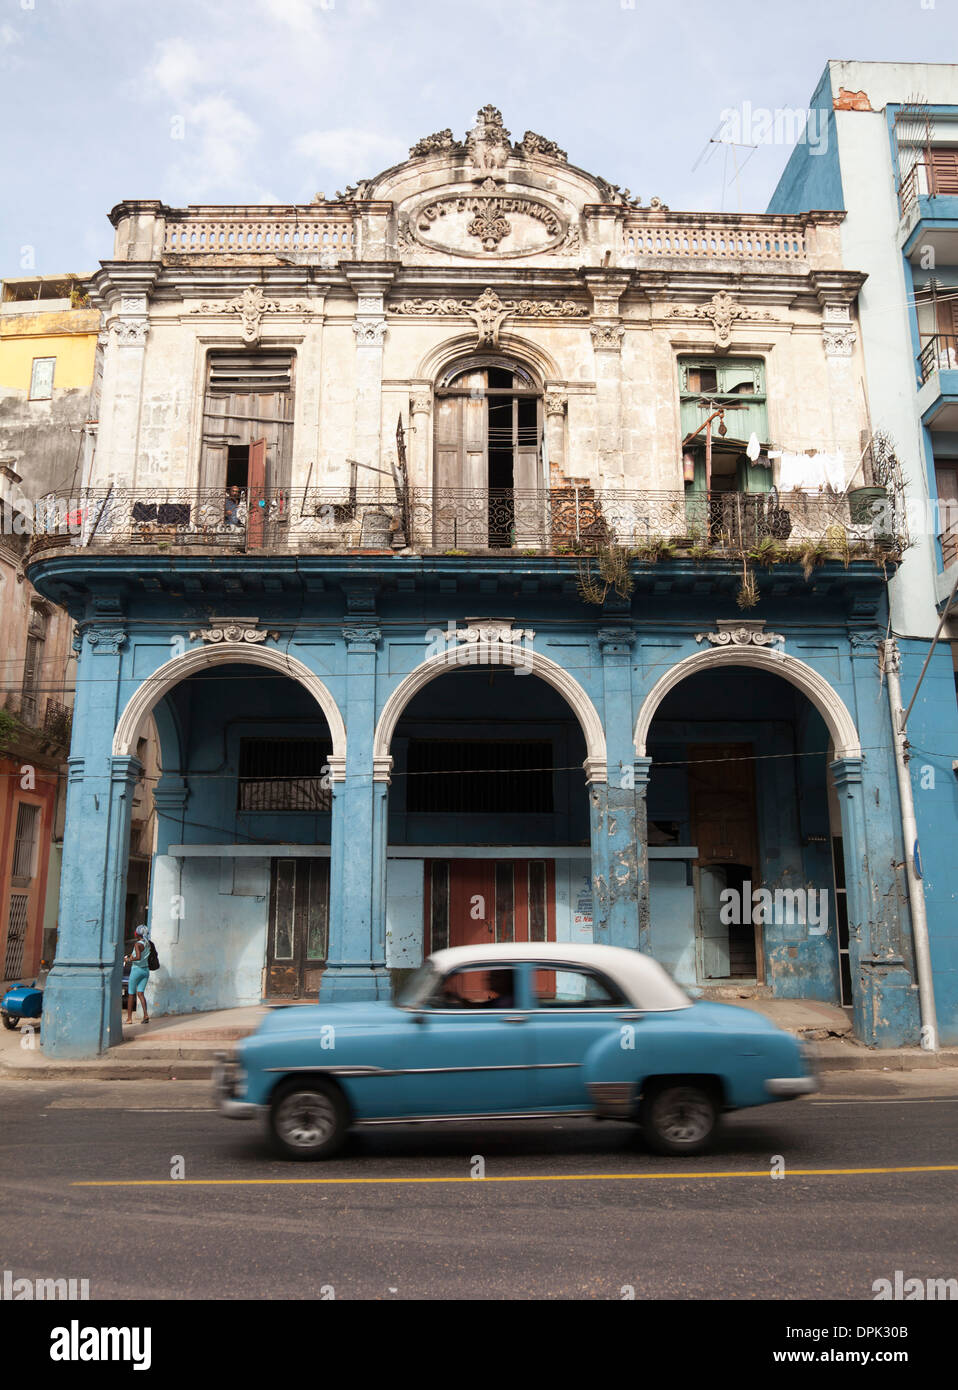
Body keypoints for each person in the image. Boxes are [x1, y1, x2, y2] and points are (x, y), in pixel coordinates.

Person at [124, 925, 151, 1025]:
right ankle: (145, 1015)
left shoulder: (137, 944)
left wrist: (128, 959)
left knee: (131, 994)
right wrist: (131, 955)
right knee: (140, 994)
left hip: (136, 970)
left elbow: (138, 957)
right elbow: (140, 955)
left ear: (137, 934)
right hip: (145, 970)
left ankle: (129, 1018)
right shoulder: (148, 944)